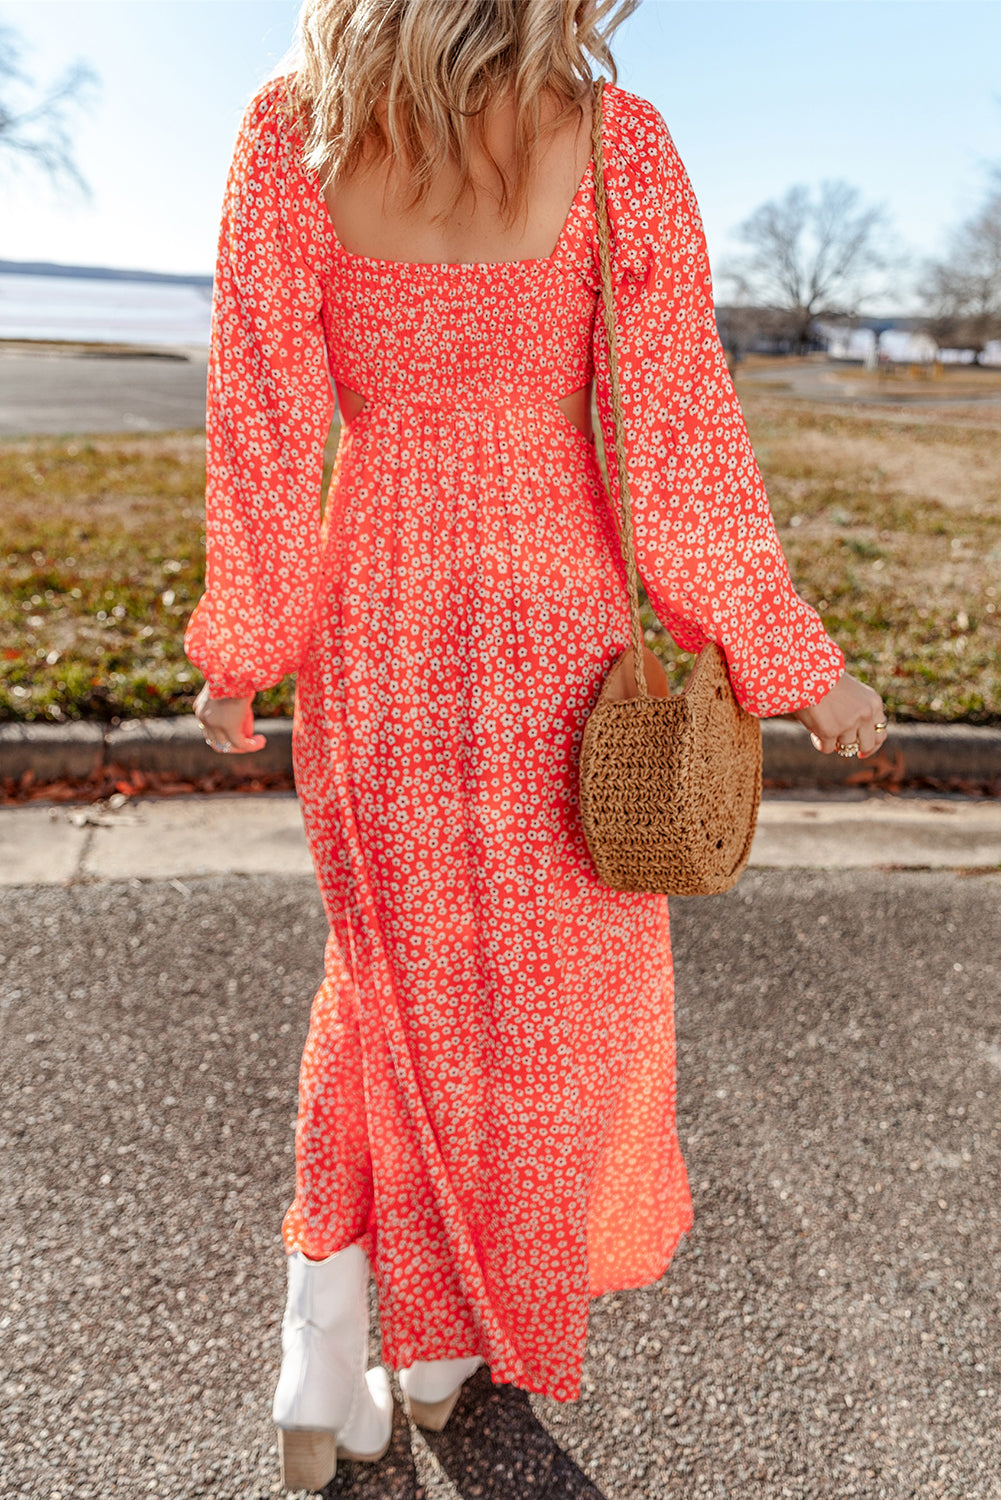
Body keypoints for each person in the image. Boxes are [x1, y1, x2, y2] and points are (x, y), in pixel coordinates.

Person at [184, 0, 888, 1490]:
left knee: (380, 972)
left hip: (374, 611)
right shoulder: (614, 143)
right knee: (535, 1010)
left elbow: (260, 424)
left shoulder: (286, 129)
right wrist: (788, 655)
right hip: (553, 630)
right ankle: (437, 1359)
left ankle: (325, 1353)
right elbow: (674, 435)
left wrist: (243, 644)